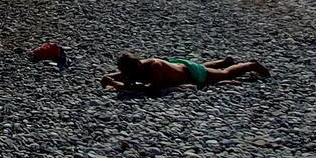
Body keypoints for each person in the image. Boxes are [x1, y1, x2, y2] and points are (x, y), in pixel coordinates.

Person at [99, 52, 269, 92]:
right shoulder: (135, 69)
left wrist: (118, 85)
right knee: (206, 67)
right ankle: (223, 61)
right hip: (176, 66)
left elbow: (153, 89)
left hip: (191, 73)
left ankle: (251, 65)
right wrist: (110, 80)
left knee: (225, 74)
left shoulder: (154, 67)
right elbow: (108, 77)